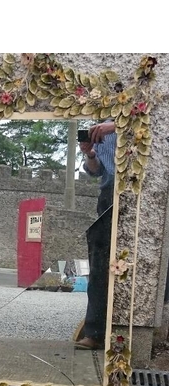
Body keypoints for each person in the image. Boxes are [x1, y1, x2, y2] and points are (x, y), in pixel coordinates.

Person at [75, 120, 116, 350]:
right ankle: (95, 332)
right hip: (109, 195)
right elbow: (96, 171)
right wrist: (90, 154)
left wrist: (118, 125)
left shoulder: (139, 107)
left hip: (144, 190)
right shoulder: (97, 125)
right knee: (99, 265)